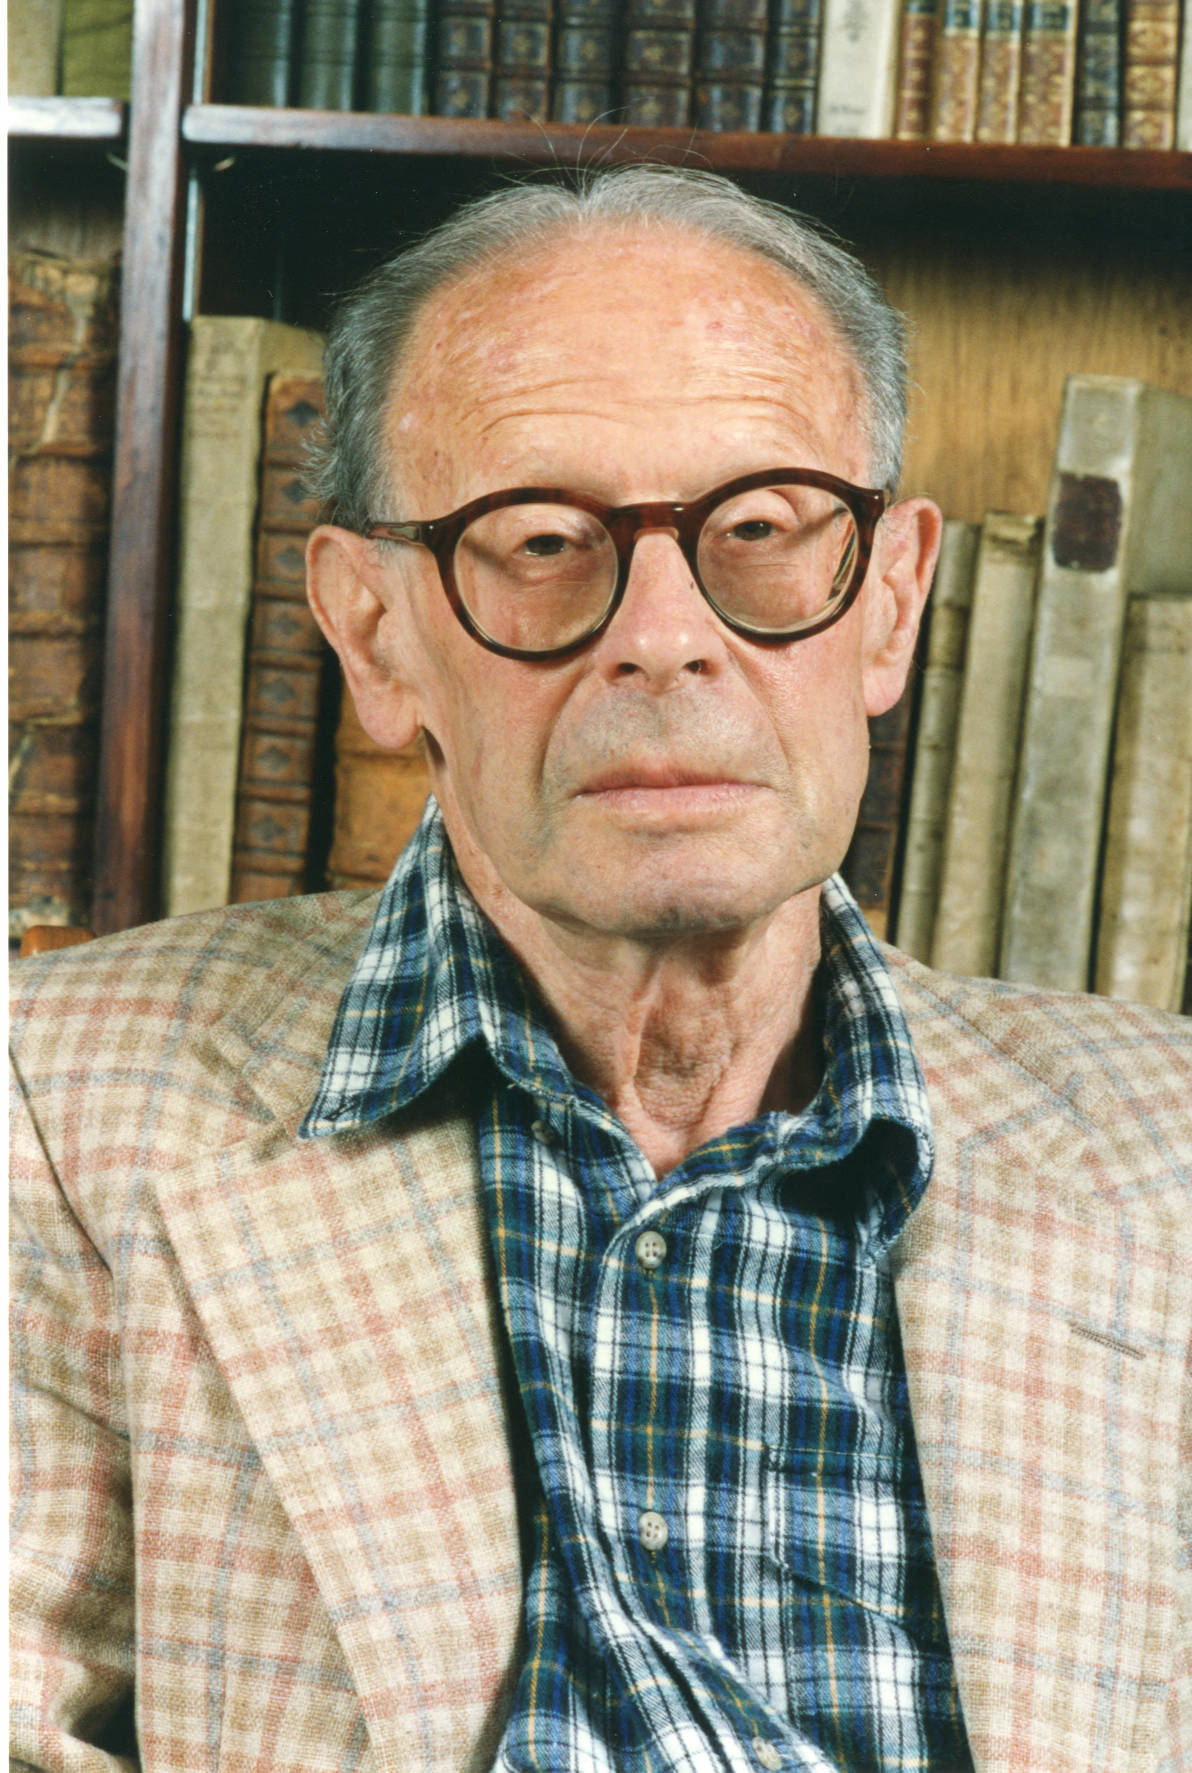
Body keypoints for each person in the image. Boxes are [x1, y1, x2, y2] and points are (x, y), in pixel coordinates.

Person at [9, 164, 1189, 1773]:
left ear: (891, 603)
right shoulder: (47, 1103)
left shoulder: (1169, 1151)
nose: (663, 635)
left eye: (761, 529)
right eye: (544, 539)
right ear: (374, 634)